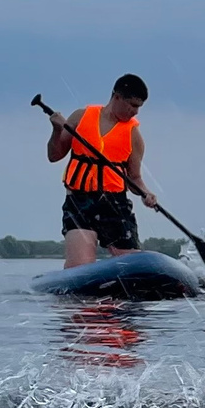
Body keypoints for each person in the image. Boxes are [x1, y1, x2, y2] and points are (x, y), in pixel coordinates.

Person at [47, 73, 160, 267]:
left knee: (130, 264)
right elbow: (54, 156)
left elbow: (134, 178)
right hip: (79, 201)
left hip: (115, 204)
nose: (135, 112)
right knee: (80, 265)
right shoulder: (80, 117)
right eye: (132, 105)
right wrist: (57, 130)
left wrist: (146, 193)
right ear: (116, 97)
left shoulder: (134, 136)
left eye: (139, 107)